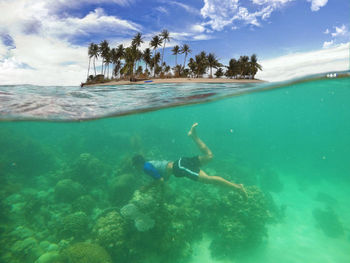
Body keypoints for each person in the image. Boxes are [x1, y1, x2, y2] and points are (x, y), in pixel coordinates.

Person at [132, 123, 247, 198]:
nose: (136, 168)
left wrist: (146, 188)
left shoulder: (145, 168)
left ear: (138, 163)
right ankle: (193, 136)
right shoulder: (149, 163)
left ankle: (237, 188)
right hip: (181, 162)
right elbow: (163, 174)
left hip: (180, 168)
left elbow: (160, 180)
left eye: (135, 165)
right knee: (209, 156)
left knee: (208, 179)